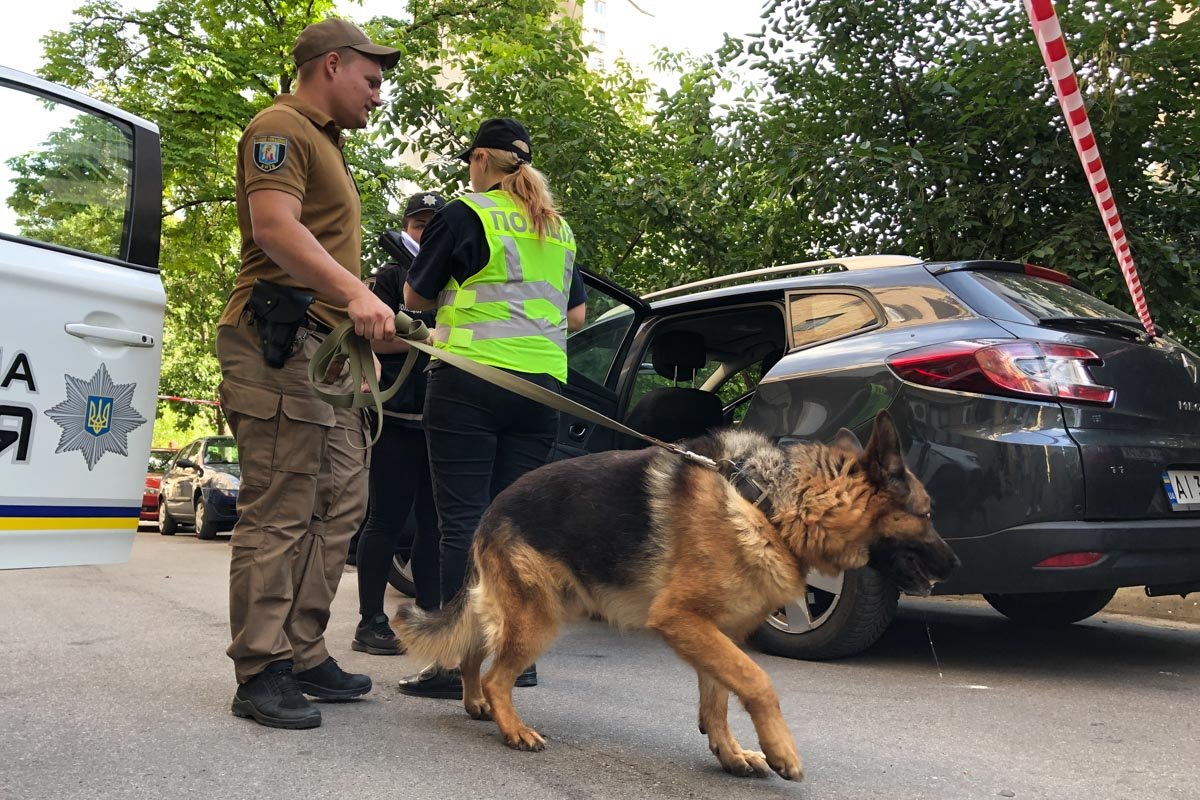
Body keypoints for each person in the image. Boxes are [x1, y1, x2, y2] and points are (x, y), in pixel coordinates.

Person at [216, 18, 400, 730]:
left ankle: (303, 648)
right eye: (371, 80)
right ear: (331, 65)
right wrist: (357, 292)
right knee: (284, 507)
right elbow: (274, 228)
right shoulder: (280, 126)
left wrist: (355, 333)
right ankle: (260, 668)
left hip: (325, 354)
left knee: (340, 504)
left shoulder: (329, 144)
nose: (377, 97)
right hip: (275, 339)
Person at [397, 118, 587, 698]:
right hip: (540, 392)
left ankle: (457, 664)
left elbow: (415, 298)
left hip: (469, 381)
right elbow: (575, 318)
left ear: (481, 159)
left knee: (463, 524)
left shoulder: (463, 213)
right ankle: (517, 657)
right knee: (518, 530)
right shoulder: (559, 229)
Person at [351, 191, 447, 656]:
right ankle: (370, 621)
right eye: (417, 224)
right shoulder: (390, 277)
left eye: (434, 224)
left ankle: (430, 616)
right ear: (406, 229)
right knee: (385, 520)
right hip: (396, 417)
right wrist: (431, 337)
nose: (425, 232)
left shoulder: (457, 277)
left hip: (445, 420)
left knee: (436, 524)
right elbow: (377, 339)